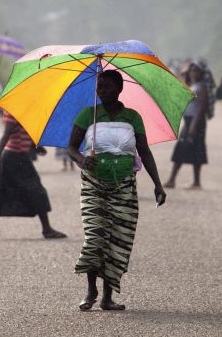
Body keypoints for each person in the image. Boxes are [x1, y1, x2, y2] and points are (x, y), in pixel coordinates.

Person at [68, 70, 167, 311]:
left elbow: (144, 151)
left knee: (117, 240)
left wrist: (157, 183)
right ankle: (91, 290)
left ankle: (107, 297)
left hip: (124, 187)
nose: (101, 89)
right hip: (93, 185)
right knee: (95, 236)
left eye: (106, 85)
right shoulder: (87, 114)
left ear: (119, 88)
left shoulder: (132, 117)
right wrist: (82, 158)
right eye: (99, 86)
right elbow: (70, 147)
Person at [0, 109, 68, 240]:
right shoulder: (13, 112)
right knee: (36, 191)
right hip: (12, 157)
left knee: (0, 192)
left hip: (18, 156)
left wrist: (35, 145)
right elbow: (5, 135)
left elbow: (25, 131)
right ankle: (47, 229)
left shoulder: (25, 112)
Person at [164, 61, 210, 189]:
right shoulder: (191, 84)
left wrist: (193, 127)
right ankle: (191, 182)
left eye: (196, 71)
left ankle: (174, 180)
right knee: (190, 149)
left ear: (201, 73)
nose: (193, 73)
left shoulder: (201, 87)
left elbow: (201, 108)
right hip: (190, 121)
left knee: (190, 149)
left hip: (196, 122)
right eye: (192, 71)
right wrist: (185, 73)